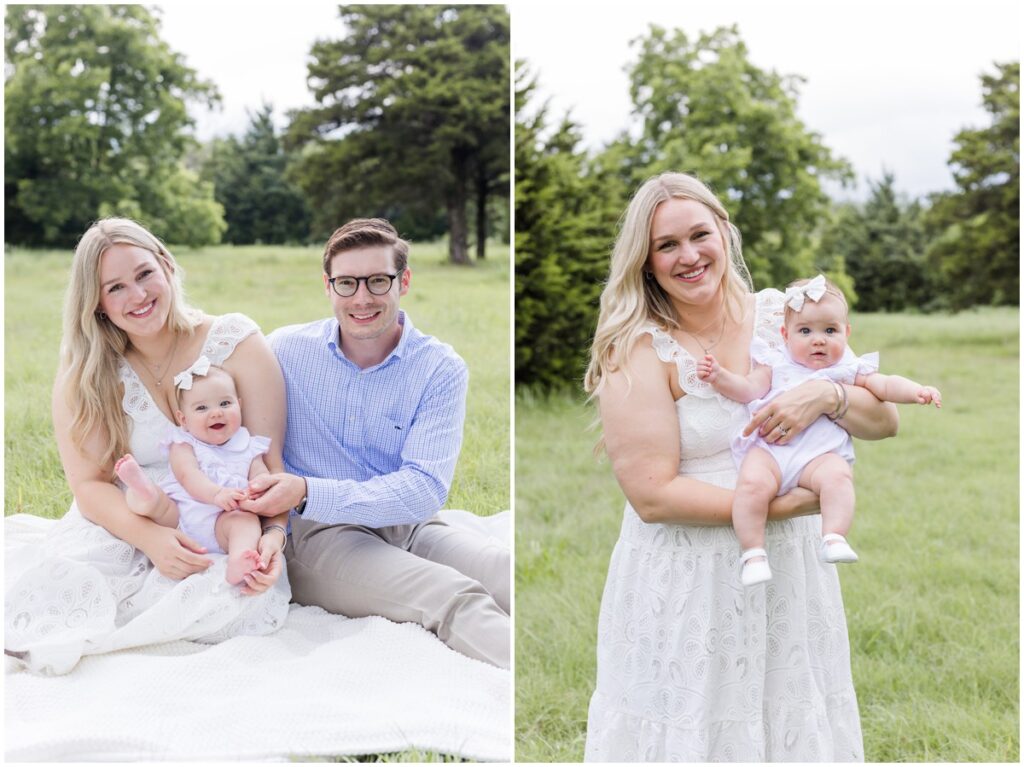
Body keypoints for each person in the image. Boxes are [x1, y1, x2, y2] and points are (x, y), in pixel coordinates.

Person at [582, 173, 899, 762]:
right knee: (697, 721)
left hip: (791, 570)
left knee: (789, 716)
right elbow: (652, 496)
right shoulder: (637, 347)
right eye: (666, 245)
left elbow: (883, 421)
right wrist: (781, 506)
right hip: (688, 575)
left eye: (700, 234)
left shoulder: (786, 315)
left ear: (725, 232)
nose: (689, 255)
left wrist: (824, 397)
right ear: (646, 262)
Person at [5, 218, 290, 674]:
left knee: (229, 598)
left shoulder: (234, 342)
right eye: (114, 287)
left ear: (166, 264)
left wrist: (274, 535)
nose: (137, 296)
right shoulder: (88, 370)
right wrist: (151, 539)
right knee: (71, 584)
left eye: (143, 274)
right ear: (96, 303)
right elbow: (90, 484)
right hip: (128, 518)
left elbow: (268, 464)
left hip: (224, 521)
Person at [240, 218, 510, 669]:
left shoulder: (439, 368)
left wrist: (308, 488)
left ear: (403, 281)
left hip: (410, 524)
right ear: (328, 287)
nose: (361, 298)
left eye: (377, 281)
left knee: (504, 573)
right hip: (319, 534)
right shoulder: (284, 351)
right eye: (346, 283)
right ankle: (518, 705)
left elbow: (425, 489)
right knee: (453, 596)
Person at [698, 275, 942, 586]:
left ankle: (834, 536)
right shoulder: (774, 361)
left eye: (830, 330)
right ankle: (753, 553)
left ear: (847, 332)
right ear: (785, 335)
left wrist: (917, 391)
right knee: (751, 485)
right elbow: (747, 389)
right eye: (805, 331)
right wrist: (719, 376)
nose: (818, 340)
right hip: (771, 451)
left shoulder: (846, 368)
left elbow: (884, 384)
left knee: (838, 475)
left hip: (817, 457)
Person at [113, 359, 281, 585]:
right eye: (202, 408)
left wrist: (258, 489)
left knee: (246, 523)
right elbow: (187, 475)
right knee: (159, 504)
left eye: (225, 403)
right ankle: (141, 489)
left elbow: (260, 475)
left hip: (225, 521)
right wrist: (216, 494)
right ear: (183, 419)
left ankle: (240, 558)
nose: (216, 413)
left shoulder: (248, 444)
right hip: (181, 516)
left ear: (239, 405)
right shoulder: (183, 442)